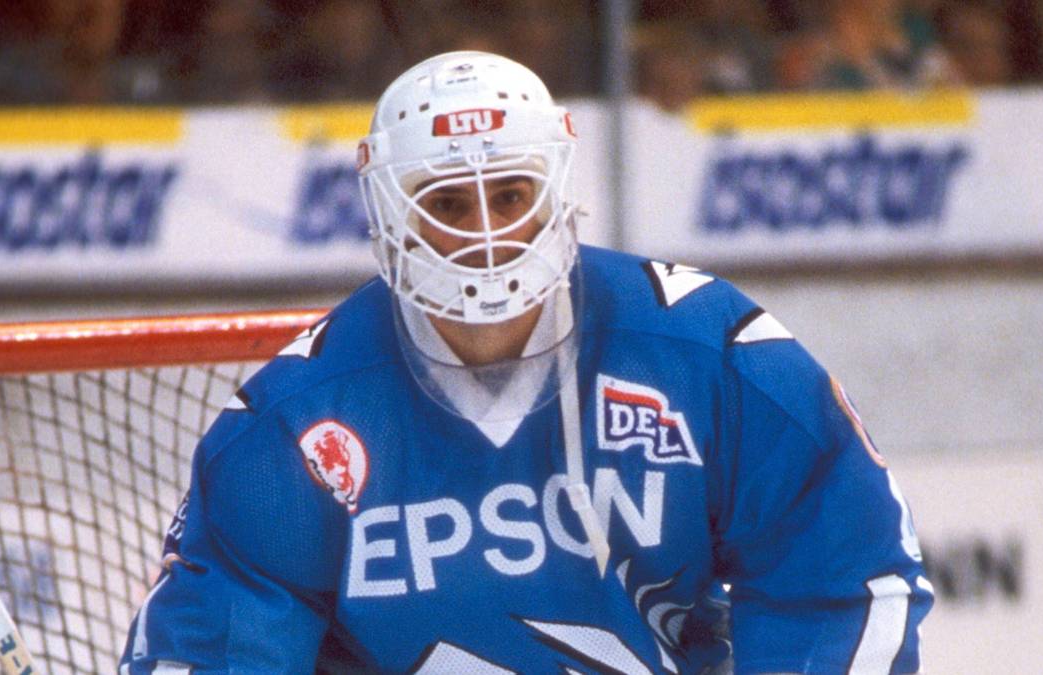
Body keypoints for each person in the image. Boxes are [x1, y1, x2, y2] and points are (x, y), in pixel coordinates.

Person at [119, 51, 933, 674]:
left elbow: (847, 581)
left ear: (555, 190)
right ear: (388, 212)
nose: (484, 234)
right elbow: (214, 651)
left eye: (508, 195)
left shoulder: (710, 354)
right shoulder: (292, 429)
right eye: (445, 202)